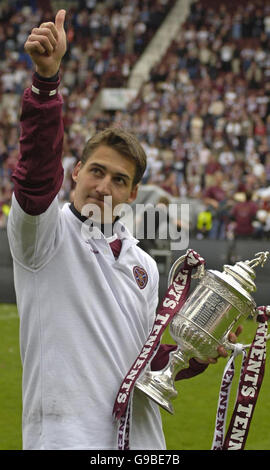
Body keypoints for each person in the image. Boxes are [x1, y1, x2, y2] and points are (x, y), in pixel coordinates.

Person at [7, 10, 241, 450]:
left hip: (144, 443)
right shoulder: (43, 236)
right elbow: (35, 175)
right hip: (66, 439)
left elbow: (142, 361)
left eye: (119, 180)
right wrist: (46, 84)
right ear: (75, 173)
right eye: (97, 171)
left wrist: (193, 355)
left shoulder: (145, 266)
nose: (104, 185)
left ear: (133, 194)